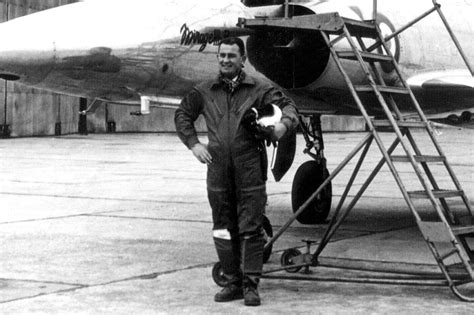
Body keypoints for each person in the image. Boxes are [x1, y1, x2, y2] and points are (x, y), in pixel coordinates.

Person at [174, 37, 298, 306]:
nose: (225, 60)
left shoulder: (259, 88)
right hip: (217, 171)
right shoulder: (205, 90)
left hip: (249, 169)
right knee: (222, 228)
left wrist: (281, 128)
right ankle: (232, 282)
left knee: (251, 229)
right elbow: (183, 114)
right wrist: (194, 144)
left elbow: (289, 107)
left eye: (231, 56)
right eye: (222, 55)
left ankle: (250, 285)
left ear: (243, 59)